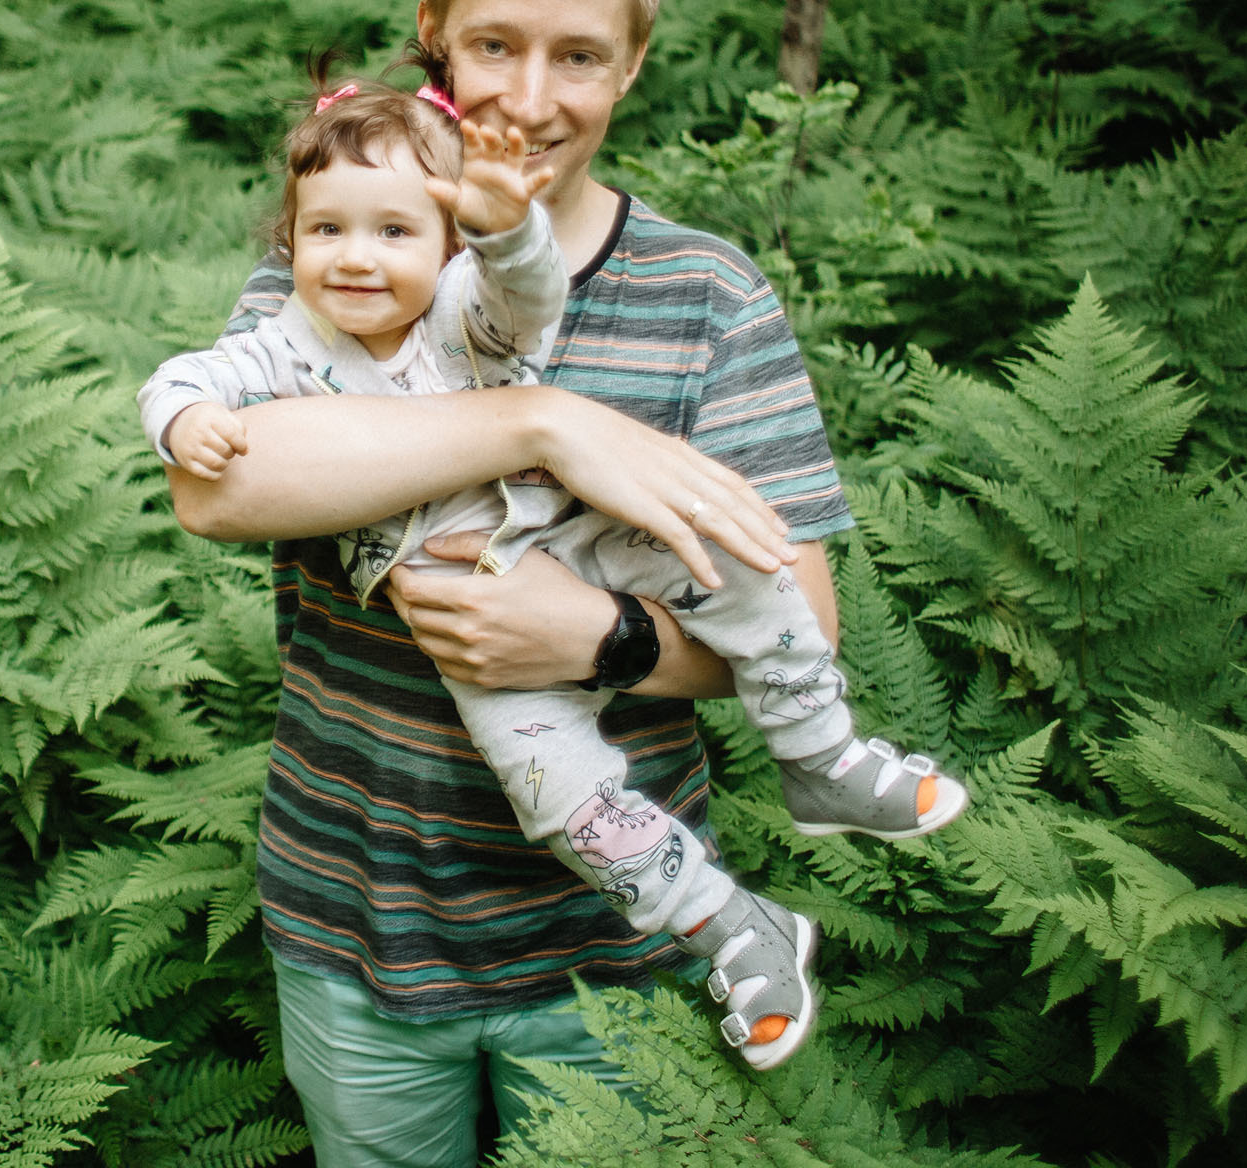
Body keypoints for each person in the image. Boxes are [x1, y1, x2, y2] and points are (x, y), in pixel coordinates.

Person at [159, 0, 891, 1166]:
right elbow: (220, 485)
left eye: (580, 56)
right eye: (495, 43)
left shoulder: (708, 297)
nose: (530, 98)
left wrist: (602, 638)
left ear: (633, 64)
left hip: (613, 950)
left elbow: (804, 622)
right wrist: (539, 423)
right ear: (434, 29)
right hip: (353, 919)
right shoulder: (349, 249)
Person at [138, 78, 964, 1075]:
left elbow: (526, 298)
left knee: (741, 568)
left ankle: (820, 753)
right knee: (569, 803)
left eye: (394, 231)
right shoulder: (281, 344)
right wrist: (187, 417)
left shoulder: (461, 311)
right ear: (292, 238)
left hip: (578, 538)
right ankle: (735, 927)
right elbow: (188, 384)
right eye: (326, 231)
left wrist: (505, 228)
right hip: (465, 636)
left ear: (445, 243)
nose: (355, 256)